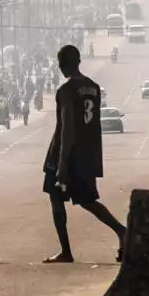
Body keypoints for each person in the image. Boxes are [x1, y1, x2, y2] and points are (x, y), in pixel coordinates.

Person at [42, 44, 127, 264]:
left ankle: (66, 251)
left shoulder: (66, 91)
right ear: (79, 61)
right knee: (88, 201)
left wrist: (62, 163)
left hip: (64, 153)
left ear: (61, 66)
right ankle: (122, 232)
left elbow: (68, 127)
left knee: (56, 198)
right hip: (87, 154)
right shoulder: (94, 87)